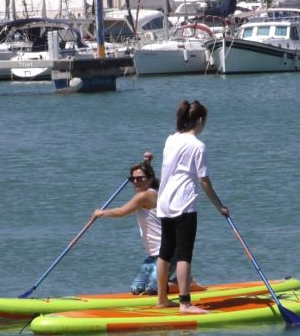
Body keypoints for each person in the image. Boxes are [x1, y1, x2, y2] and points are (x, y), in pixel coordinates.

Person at [156, 100, 229, 313]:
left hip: (164, 201)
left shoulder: (171, 139)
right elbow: (203, 181)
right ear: (200, 120)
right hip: (184, 204)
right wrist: (220, 206)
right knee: (184, 253)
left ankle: (162, 299)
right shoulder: (198, 146)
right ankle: (185, 303)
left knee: (165, 251)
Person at [91, 157, 173, 295]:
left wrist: (101, 213)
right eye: (132, 179)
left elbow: (122, 212)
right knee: (137, 289)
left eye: (139, 179)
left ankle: (186, 283)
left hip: (167, 253)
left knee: (153, 290)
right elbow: (147, 176)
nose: (135, 182)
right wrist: (147, 163)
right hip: (154, 254)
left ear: (150, 178)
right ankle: (168, 282)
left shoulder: (144, 196)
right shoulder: (148, 192)